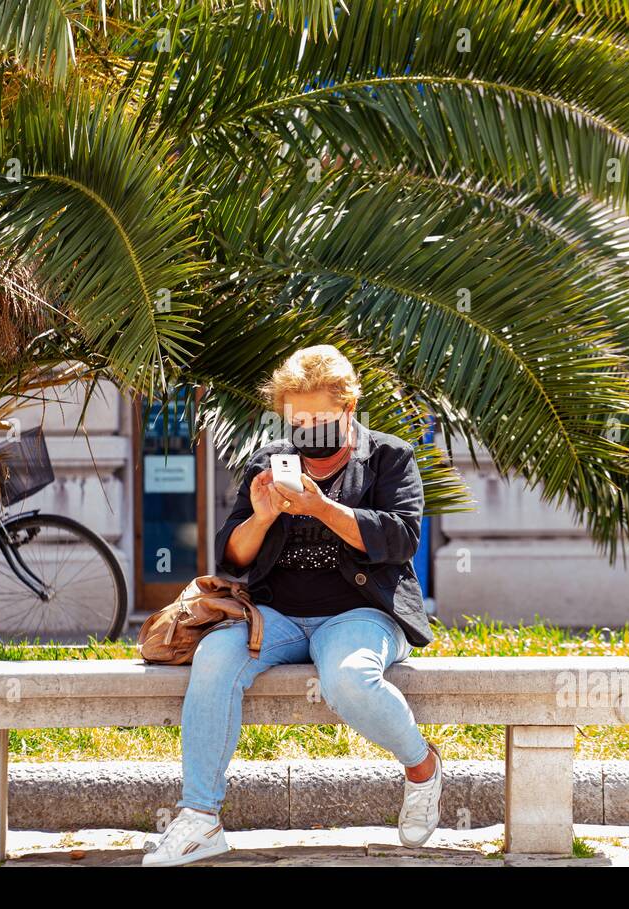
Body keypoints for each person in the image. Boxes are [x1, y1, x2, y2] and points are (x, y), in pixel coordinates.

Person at [143, 345, 441, 866]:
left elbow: (400, 540)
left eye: (319, 419)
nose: (306, 431)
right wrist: (258, 518)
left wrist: (323, 509)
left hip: (361, 613)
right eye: (295, 420)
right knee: (214, 659)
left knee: (348, 677)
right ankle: (200, 820)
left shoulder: (390, 458)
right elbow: (232, 559)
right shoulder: (270, 461)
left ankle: (422, 769)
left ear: (349, 409)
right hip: (274, 616)